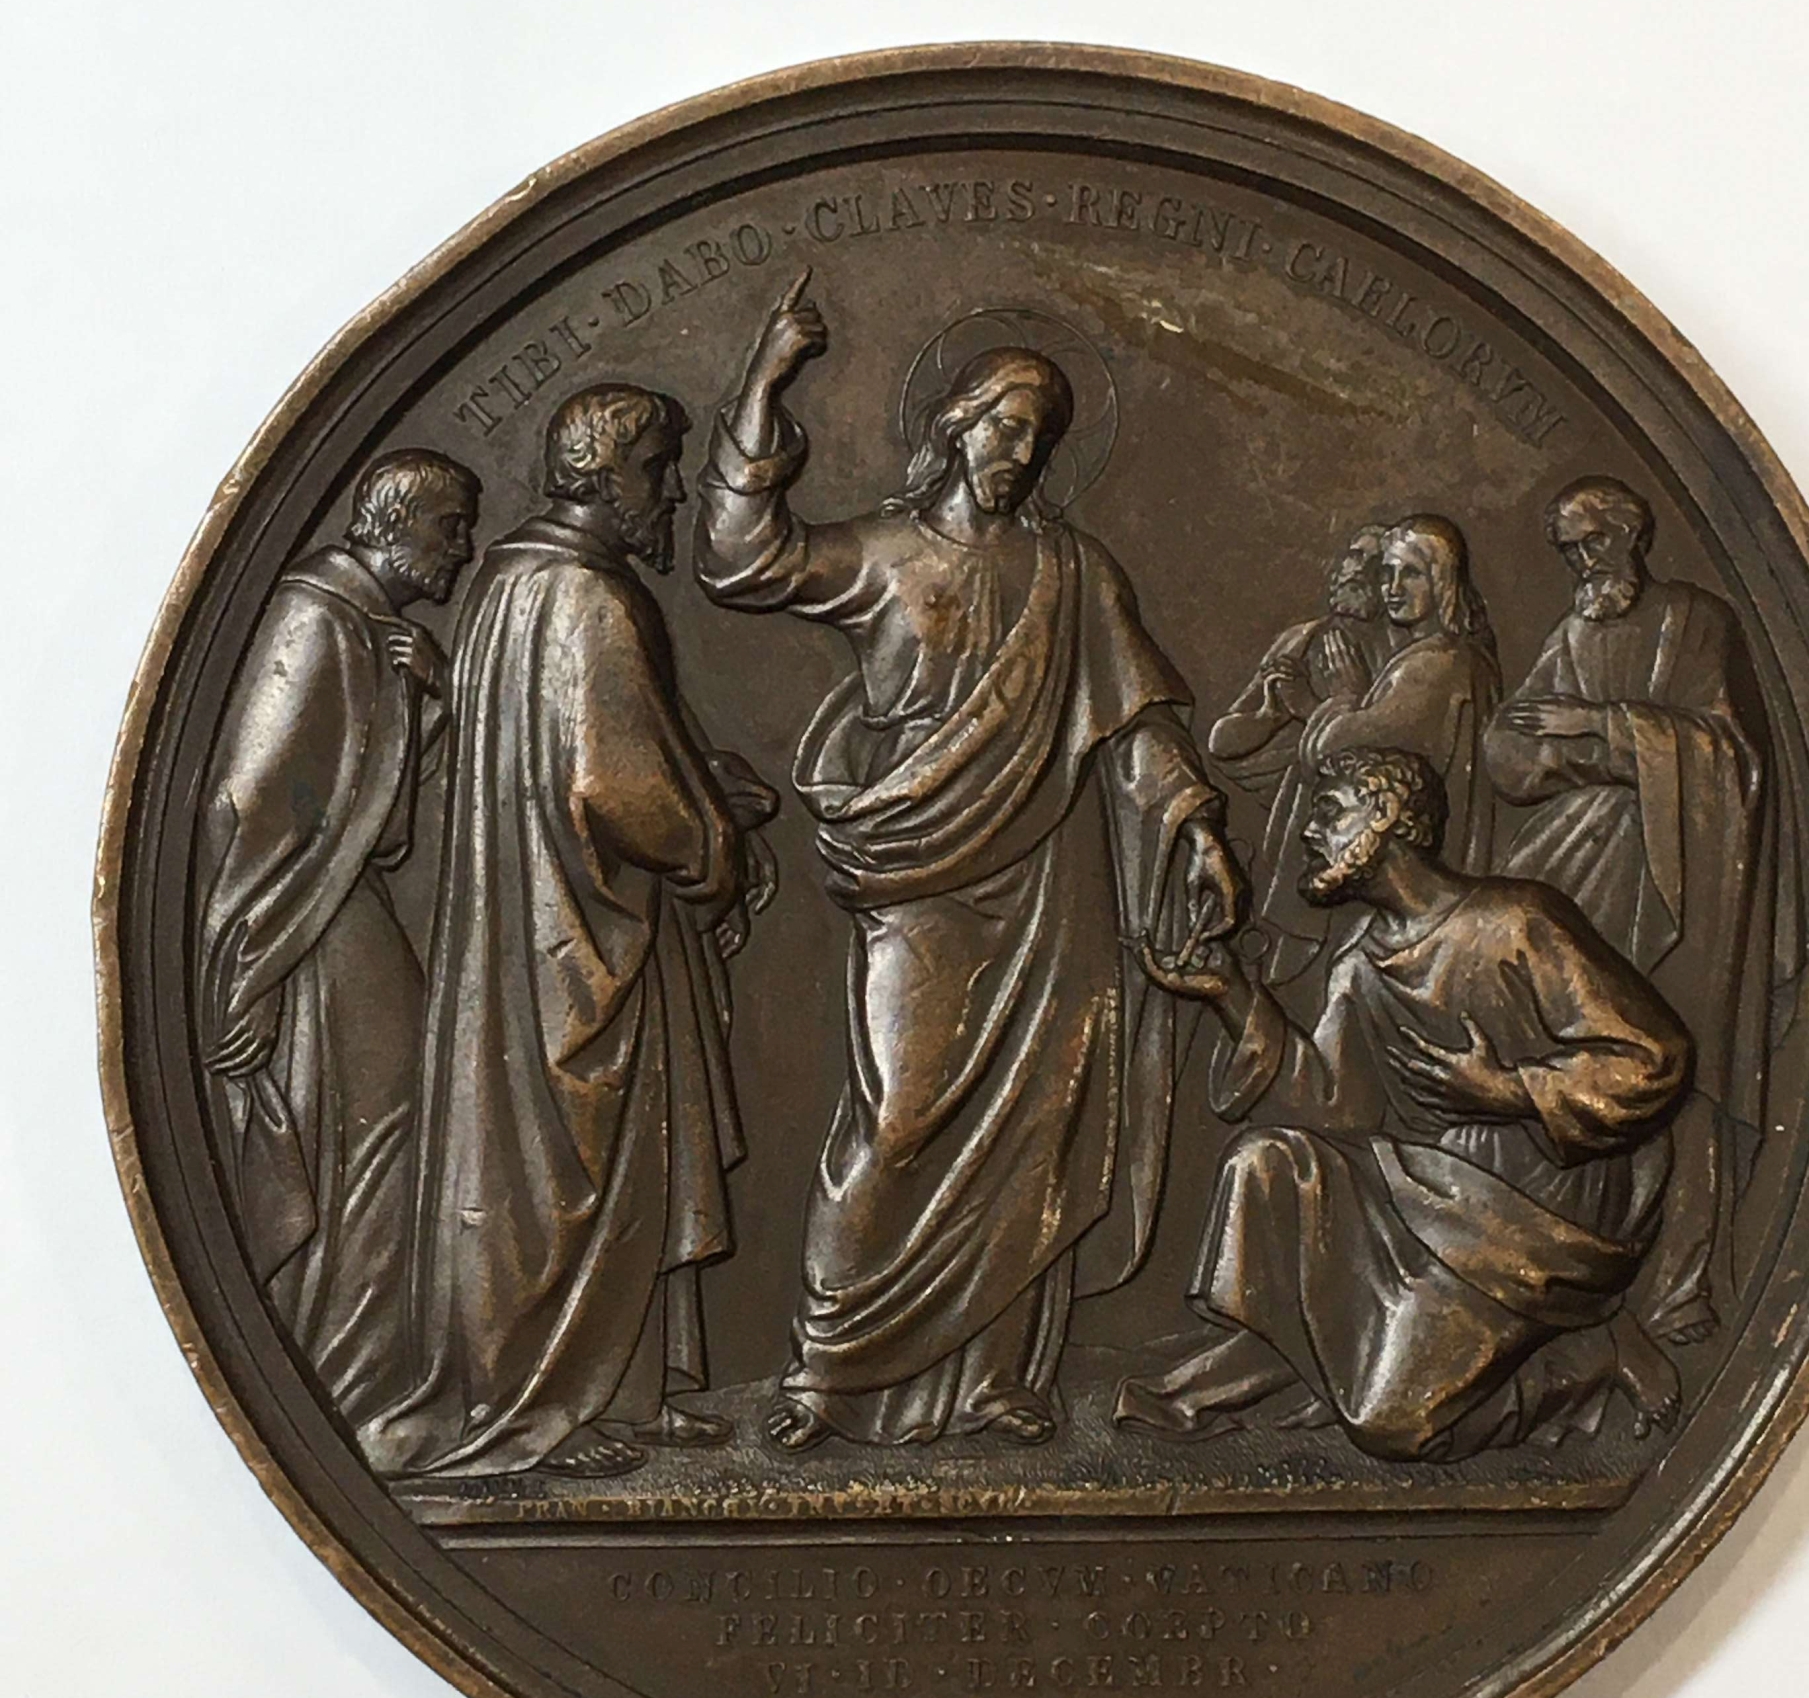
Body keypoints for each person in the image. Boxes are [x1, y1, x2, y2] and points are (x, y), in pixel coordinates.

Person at [697, 272, 1244, 1450]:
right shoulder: (884, 552)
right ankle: (827, 1367)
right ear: (953, 424)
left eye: (1037, 437)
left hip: (1049, 879)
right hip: (917, 874)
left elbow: (1133, 723)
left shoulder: (1074, 571)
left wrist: (1194, 825)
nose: (1020, 453)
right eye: (1004, 427)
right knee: (897, 1117)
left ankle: (997, 1376)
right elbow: (742, 561)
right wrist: (764, 382)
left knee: (1032, 1124)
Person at [363, 385, 777, 1479]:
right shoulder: (586, 594)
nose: (671, 493)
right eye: (658, 470)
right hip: (579, 933)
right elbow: (613, 785)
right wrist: (711, 838)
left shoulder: (507, 583)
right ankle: (547, 1405)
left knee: (594, 1161)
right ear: (602, 475)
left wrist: (695, 780)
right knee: (576, 1165)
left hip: (536, 915)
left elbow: (563, 747)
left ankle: (623, 1390)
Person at [1115, 746, 1690, 1459]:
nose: (1308, 833)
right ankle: (1352, 1351)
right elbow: (1335, 1106)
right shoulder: (1361, 965)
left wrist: (1512, 1090)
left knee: (1398, 1425)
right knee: (1265, 1164)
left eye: (1329, 812)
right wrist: (1232, 994)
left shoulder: (1515, 920)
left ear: (1385, 816)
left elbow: (1654, 1058)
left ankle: (1588, 1356)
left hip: (1544, 1205)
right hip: (1429, 1192)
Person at [196, 449, 477, 1451]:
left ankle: (362, 1380)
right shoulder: (315, 615)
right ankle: (344, 1385)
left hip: (337, 908)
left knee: (390, 1130)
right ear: (392, 524)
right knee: (374, 1131)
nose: (462, 548)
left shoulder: (371, 628)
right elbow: (245, 799)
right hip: (309, 925)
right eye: (450, 526)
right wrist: (251, 955)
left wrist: (424, 701)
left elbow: (381, 824)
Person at [1485, 476, 1797, 1343]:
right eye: (1568, 549)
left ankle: (1676, 1288)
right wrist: (1591, 753)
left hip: (1689, 887)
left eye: (1592, 542)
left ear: (1632, 536)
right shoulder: (1573, 633)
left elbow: (1731, 756)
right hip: (1587, 875)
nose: (1582, 562)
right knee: (1577, 1058)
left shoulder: (1696, 622)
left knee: (1682, 1074)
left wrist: (1601, 725)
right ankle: (1566, 1279)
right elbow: (1511, 750)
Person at [1207, 523, 1399, 985]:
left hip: (1370, 834)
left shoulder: (1402, 653)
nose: (1355, 569)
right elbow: (1221, 741)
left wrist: (1314, 708)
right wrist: (1272, 716)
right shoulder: (1302, 640)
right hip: (1297, 825)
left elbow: (1392, 763)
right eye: (1352, 556)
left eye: (1373, 563)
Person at [1300, 515, 1502, 875]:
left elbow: (1329, 751)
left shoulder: (1436, 664)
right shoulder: (1436, 655)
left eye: (1411, 574)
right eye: (1386, 573)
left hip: (1422, 870)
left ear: (1442, 580)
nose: (1393, 588)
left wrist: (1346, 694)